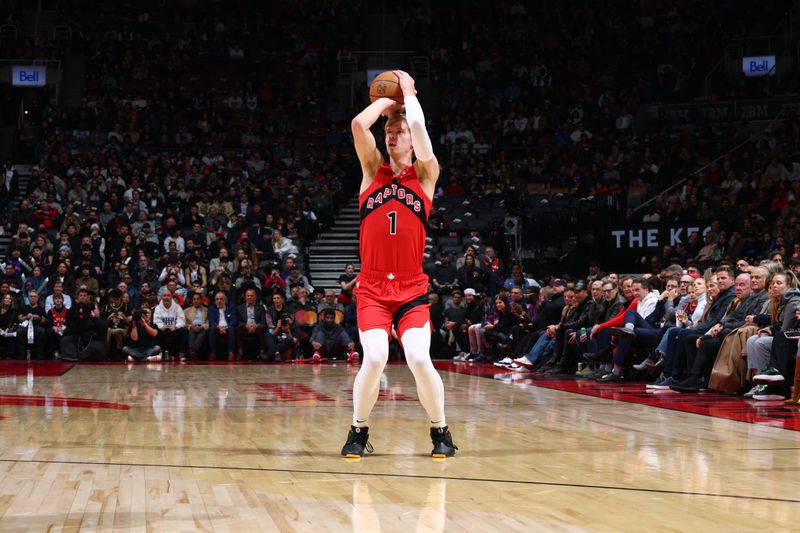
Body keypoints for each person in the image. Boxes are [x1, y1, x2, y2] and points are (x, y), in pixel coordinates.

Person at [342, 70, 457, 458]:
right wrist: (388, 104)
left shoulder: (426, 174)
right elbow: (359, 124)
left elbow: (421, 128)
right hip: (373, 287)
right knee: (374, 356)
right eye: (389, 130)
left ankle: (440, 431)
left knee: (419, 358)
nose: (392, 134)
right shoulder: (373, 170)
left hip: (410, 287)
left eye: (399, 130)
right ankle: (358, 430)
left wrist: (408, 95)